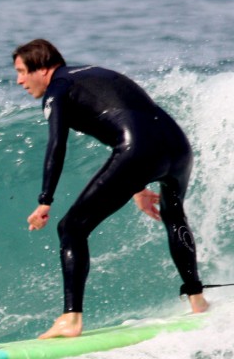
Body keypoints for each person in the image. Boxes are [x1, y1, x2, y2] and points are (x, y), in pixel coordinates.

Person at [12, 39, 209, 340]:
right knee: (173, 215)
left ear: (42, 67)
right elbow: (131, 116)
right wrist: (138, 184)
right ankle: (198, 301)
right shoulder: (93, 73)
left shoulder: (57, 89)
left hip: (139, 150)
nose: (19, 81)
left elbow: (56, 144)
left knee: (71, 228)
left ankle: (71, 319)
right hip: (177, 146)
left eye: (22, 72)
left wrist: (45, 201)